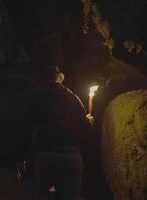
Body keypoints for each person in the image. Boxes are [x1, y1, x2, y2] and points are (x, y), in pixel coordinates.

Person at [28, 66, 91, 200]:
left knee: (43, 195)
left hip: (45, 153)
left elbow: (26, 127)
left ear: (42, 80)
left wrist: (21, 156)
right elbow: (85, 129)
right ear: (60, 79)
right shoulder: (73, 98)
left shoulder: (36, 97)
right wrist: (89, 122)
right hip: (71, 155)